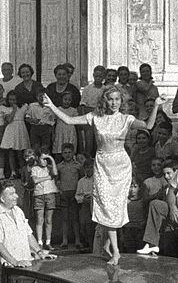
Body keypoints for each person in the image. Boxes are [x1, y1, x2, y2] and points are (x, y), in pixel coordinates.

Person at [43, 87, 163, 264]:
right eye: (110, 99)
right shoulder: (95, 117)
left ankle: (111, 248)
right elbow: (69, 120)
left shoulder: (126, 119)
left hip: (121, 165)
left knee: (115, 207)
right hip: (102, 164)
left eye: (117, 99)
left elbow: (149, 125)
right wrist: (51, 105)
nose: (114, 103)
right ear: (104, 101)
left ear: (121, 101)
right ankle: (114, 250)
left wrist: (157, 106)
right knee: (105, 205)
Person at [0, 181, 55, 267]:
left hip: (26, 263)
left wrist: (40, 252)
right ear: (2, 199)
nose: (16, 196)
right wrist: (15, 262)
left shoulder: (18, 211)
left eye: (15, 193)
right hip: (7, 268)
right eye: (12, 194)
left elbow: (28, 234)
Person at [24, 148, 58, 249]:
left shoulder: (50, 167)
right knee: (39, 219)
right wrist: (48, 178)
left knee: (49, 219)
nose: (45, 161)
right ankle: (39, 241)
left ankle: (48, 241)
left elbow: (55, 174)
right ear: (38, 158)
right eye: (43, 159)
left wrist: (51, 159)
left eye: (46, 159)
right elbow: (35, 180)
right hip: (38, 195)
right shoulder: (35, 169)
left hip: (50, 194)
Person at [57, 143, 83, 249]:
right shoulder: (59, 166)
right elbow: (57, 180)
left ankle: (77, 240)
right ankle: (64, 240)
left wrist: (78, 193)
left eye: (69, 152)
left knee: (75, 218)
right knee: (65, 219)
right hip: (64, 194)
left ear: (73, 153)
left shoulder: (78, 165)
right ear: (62, 154)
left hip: (74, 194)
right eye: (65, 153)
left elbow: (81, 179)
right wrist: (59, 191)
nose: (67, 155)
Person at [0, 90, 31, 179]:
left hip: (20, 129)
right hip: (11, 130)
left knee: (20, 153)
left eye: (14, 100)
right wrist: (14, 109)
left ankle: (23, 171)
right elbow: (9, 120)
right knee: (11, 152)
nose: (12, 102)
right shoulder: (6, 109)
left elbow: (28, 115)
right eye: (10, 100)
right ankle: (13, 172)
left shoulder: (24, 107)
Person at [75, 160, 96, 249]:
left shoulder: (98, 179)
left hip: (95, 205)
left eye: (91, 167)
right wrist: (83, 199)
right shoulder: (81, 181)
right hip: (84, 205)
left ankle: (93, 247)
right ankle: (87, 244)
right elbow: (77, 195)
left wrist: (92, 197)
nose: (89, 169)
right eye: (87, 167)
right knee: (84, 226)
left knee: (93, 227)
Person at [52, 91, 79, 157]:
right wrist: (53, 133)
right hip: (60, 131)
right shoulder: (57, 109)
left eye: (69, 100)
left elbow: (76, 122)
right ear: (61, 100)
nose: (67, 101)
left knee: (70, 145)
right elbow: (53, 122)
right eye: (65, 99)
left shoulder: (73, 110)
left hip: (70, 131)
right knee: (59, 146)